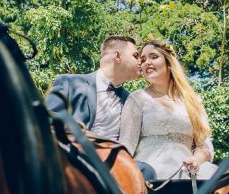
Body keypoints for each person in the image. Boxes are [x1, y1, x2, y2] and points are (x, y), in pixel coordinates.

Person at [119, 39, 218, 181]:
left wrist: (196, 160)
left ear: (169, 64)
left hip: (187, 169)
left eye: (153, 57)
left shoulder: (192, 100)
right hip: (150, 172)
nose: (146, 62)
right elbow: (126, 145)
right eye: (143, 59)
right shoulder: (137, 98)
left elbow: (204, 146)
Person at [45, 35, 141, 142]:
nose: (141, 61)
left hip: (118, 155)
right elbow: (46, 121)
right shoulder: (69, 83)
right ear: (118, 56)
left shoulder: (130, 100)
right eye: (135, 56)